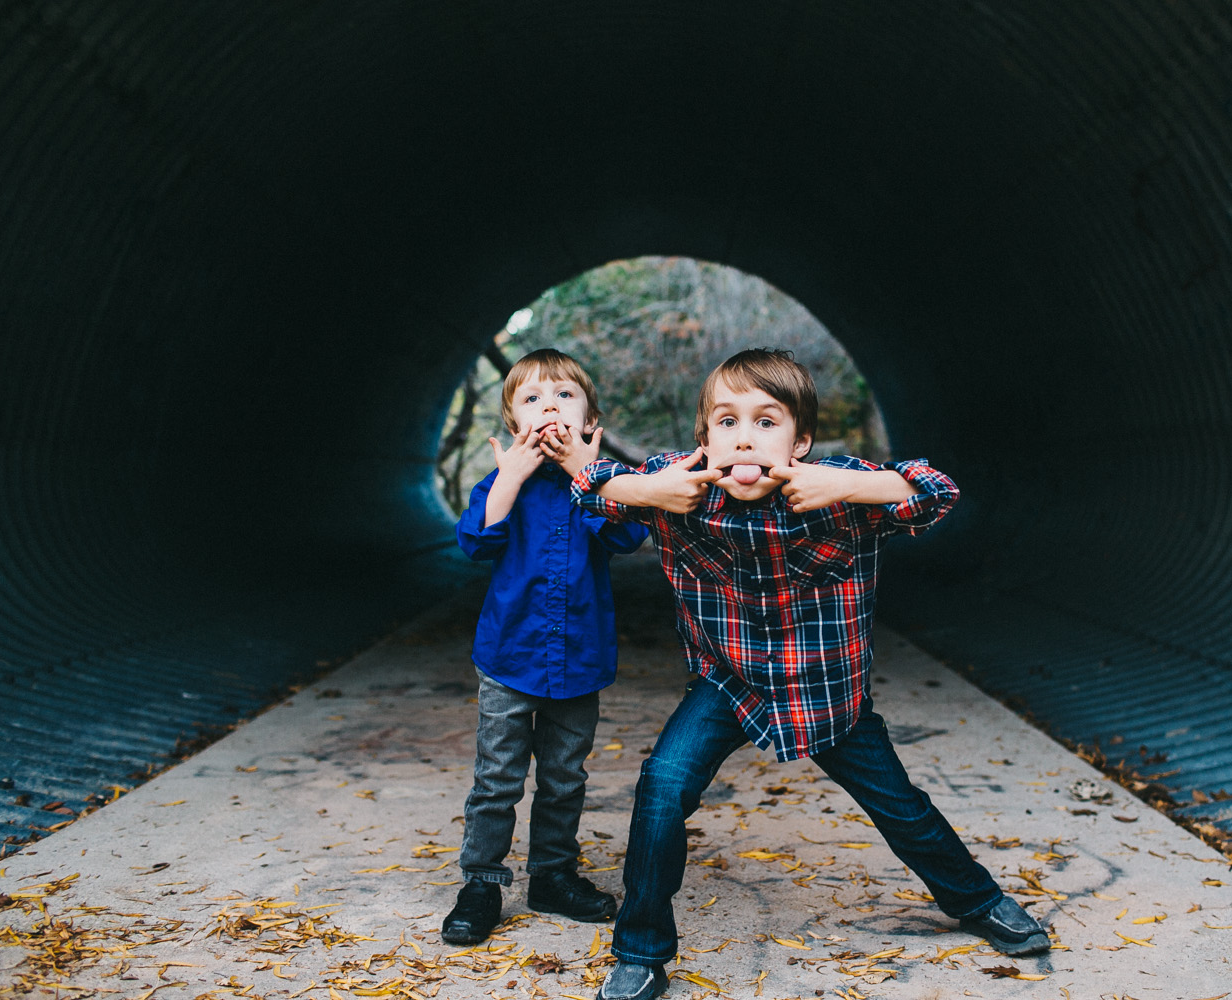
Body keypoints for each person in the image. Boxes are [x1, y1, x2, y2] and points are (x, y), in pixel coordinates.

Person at [572, 348, 1050, 1000]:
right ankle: (641, 952)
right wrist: (639, 488)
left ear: (802, 441)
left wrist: (852, 484)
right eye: (727, 421)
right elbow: (588, 484)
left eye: (767, 421)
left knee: (901, 808)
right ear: (703, 440)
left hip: (826, 692)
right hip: (727, 684)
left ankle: (977, 901)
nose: (745, 436)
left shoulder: (839, 491)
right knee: (662, 786)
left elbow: (938, 490)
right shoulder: (676, 487)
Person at [441, 348, 649, 946]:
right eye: (532, 399)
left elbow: (630, 533)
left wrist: (590, 471)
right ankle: (481, 881)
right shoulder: (501, 482)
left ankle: (552, 874)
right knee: (498, 778)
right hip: (510, 658)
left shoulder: (603, 483)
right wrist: (509, 475)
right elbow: (477, 542)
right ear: (513, 425)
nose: (548, 407)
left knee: (563, 778)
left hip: (578, 660)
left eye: (564, 396)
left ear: (590, 423)